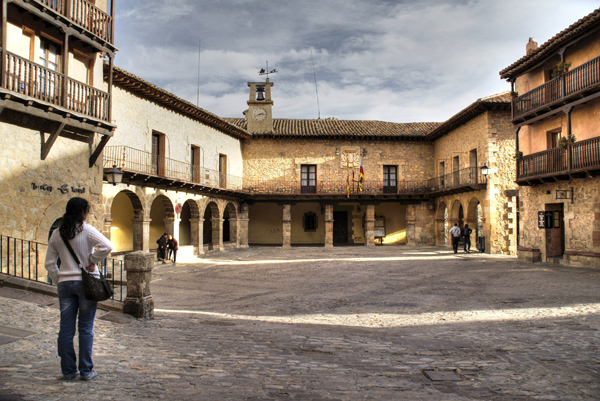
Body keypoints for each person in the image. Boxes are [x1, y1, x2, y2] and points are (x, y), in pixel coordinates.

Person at [45, 197, 114, 381]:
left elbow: (50, 263)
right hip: (86, 284)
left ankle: (68, 371)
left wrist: (59, 279)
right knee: (85, 328)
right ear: (83, 212)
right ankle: (86, 370)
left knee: (66, 329)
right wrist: (92, 261)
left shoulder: (57, 234)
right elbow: (107, 246)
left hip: (65, 284)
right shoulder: (86, 230)